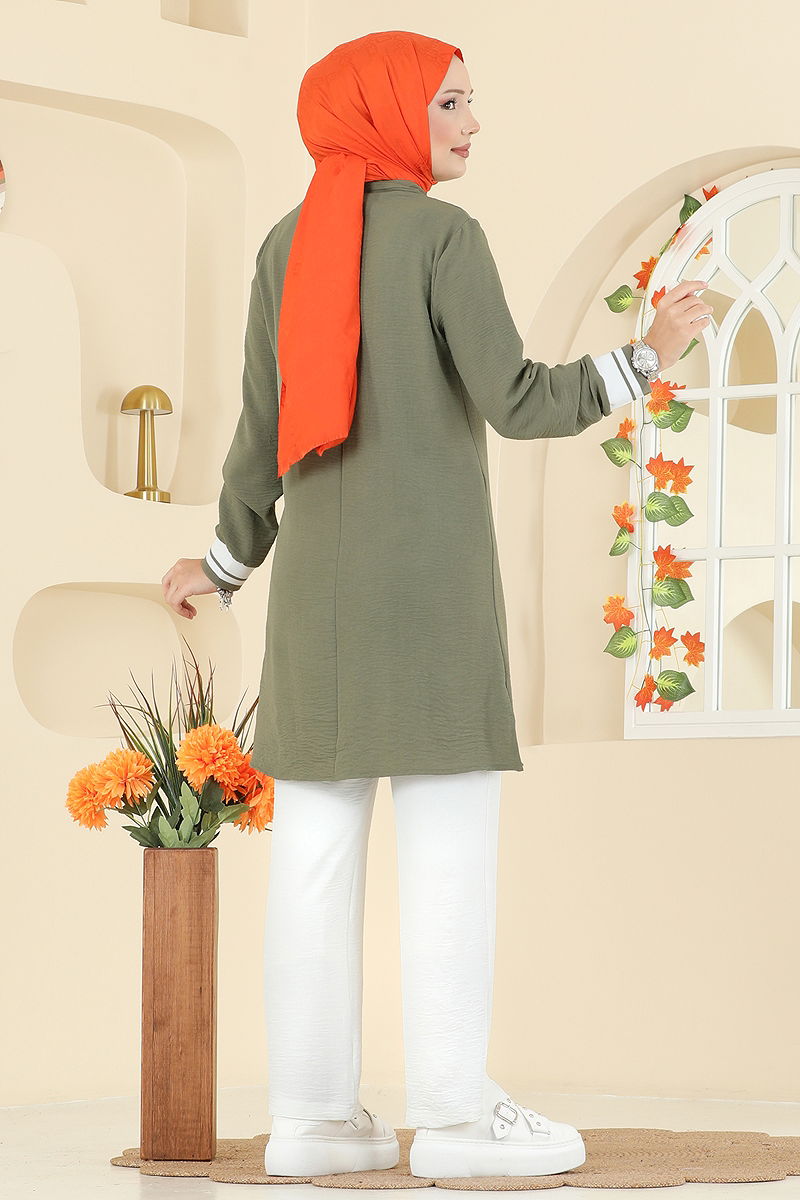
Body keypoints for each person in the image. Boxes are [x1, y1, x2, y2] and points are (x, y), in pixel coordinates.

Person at [161, 31, 712, 1180]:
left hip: (315, 609)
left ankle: (311, 1123)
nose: (470, 122)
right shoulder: (442, 236)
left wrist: (220, 566)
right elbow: (518, 402)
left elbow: (260, 436)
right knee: (446, 855)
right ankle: (456, 1123)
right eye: (450, 101)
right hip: (430, 601)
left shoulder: (285, 244)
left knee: (313, 863)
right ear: (386, 112)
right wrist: (647, 353)